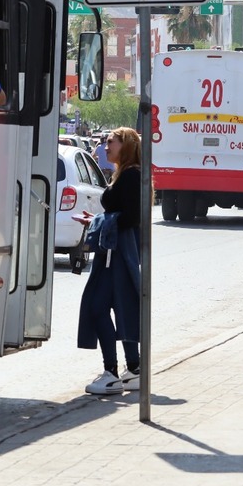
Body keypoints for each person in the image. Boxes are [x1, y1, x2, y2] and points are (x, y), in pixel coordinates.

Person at [77, 127, 143, 395]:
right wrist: (95, 221)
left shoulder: (130, 176)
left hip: (115, 253)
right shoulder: (128, 175)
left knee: (97, 307)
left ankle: (112, 372)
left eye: (110, 142)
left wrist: (96, 221)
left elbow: (130, 217)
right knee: (121, 306)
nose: (105, 147)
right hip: (115, 251)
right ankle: (133, 369)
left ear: (124, 145)